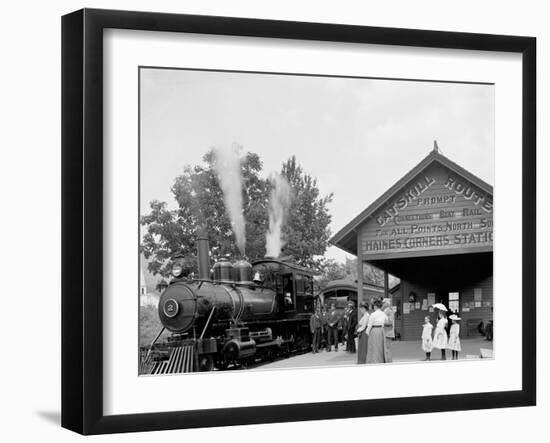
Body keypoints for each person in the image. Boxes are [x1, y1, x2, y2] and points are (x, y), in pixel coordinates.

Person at [366, 298, 389, 364]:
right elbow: (386, 320)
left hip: (374, 330)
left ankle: (374, 361)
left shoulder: (373, 314)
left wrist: (367, 332)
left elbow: (369, 325)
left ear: (375, 306)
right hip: (381, 330)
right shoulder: (383, 313)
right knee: (381, 346)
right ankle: (381, 360)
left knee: (374, 346)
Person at [382, 299, 394, 363]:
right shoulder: (386, 310)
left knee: (387, 349)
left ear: (387, 303)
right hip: (386, 332)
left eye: (384, 303)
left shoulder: (389, 311)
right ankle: (387, 361)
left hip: (388, 332)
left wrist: (382, 322)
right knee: (386, 349)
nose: (383, 304)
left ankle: (389, 362)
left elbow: (390, 322)